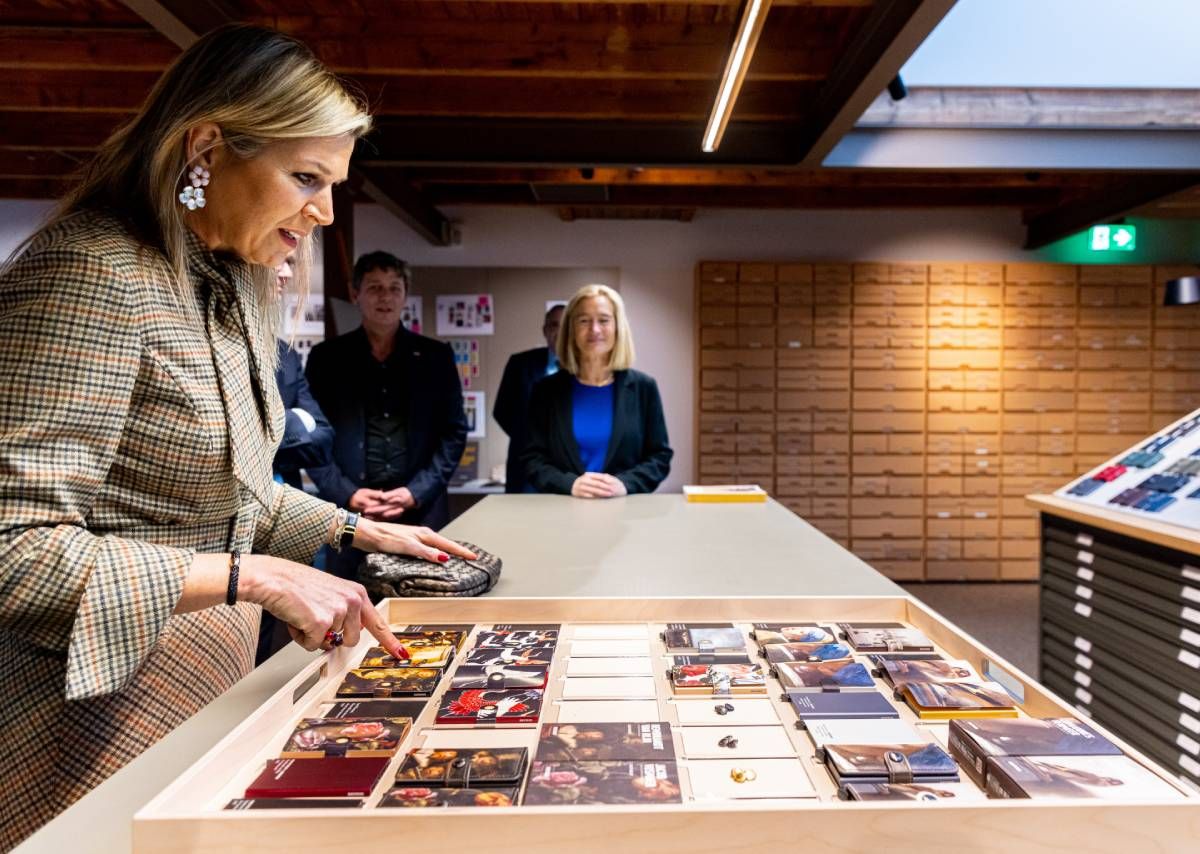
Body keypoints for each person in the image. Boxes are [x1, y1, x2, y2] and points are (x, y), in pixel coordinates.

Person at [0, 25, 473, 847]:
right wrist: (248, 576)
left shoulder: (235, 287)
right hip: (81, 719)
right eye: (305, 177)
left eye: (333, 184)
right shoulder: (91, 272)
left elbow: (227, 496)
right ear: (207, 148)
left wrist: (355, 530)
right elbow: (13, 546)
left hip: (202, 694)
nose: (324, 211)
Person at [305, 251, 468, 580]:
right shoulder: (326, 359)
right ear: (356, 294)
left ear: (405, 295)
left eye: (395, 288)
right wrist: (344, 493)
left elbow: (454, 434)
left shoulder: (436, 356)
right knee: (348, 608)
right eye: (375, 287)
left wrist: (416, 492)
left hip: (420, 510)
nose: (386, 297)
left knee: (426, 608)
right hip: (350, 515)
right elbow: (312, 437)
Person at [522, 284, 673, 497]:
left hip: (626, 518)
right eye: (583, 321)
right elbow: (532, 459)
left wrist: (625, 484)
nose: (594, 330)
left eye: (604, 320)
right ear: (571, 330)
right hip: (562, 516)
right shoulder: (546, 390)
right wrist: (569, 484)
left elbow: (659, 457)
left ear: (618, 327)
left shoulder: (643, 388)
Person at [494, 303, 564, 492]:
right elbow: (501, 411)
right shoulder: (520, 364)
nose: (559, 331)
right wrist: (529, 438)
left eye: (566, 325)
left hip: (568, 469)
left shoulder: (584, 370)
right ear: (545, 330)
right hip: (524, 465)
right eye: (554, 325)